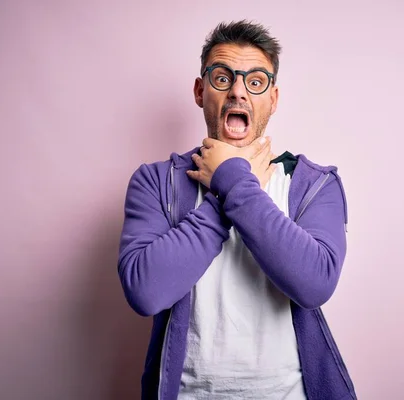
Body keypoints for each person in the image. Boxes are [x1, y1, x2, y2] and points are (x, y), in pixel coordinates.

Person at [117, 20, 357, 400]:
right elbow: (145, 291)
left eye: (256, 81)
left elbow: (315, 284)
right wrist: (230, 183)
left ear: (273, 99)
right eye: (223, 78)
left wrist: (232, 180)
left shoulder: (314, 185)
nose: (238, 92)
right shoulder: (155, 182)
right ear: (200, 91)